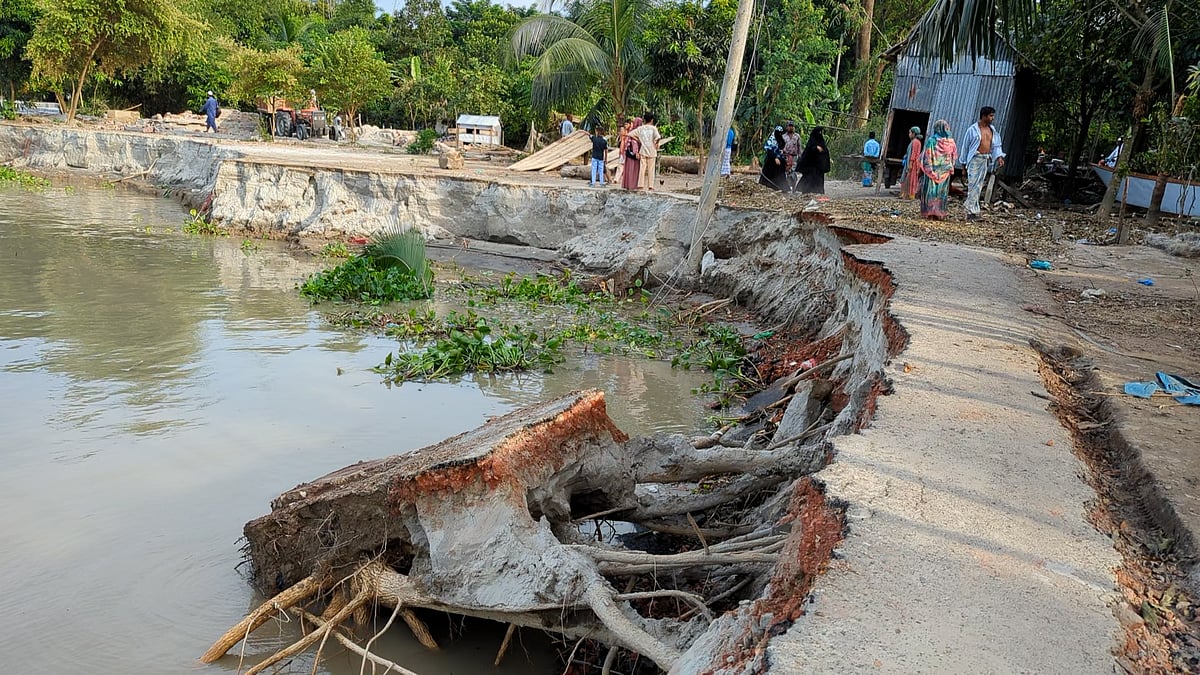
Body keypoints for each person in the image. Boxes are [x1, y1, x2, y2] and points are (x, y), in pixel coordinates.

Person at [960, 105, 1006, 221]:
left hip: (985, 159)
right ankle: (971, 212)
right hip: (974, 159)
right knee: (973, 185)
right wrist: (963, 165)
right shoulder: (972, 130)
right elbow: (965, 147)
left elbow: (996, 145)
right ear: (984, 116)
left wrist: (999, 157)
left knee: (979, 185)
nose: (992, 118)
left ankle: (973, 210)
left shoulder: (992, 130)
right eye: (990, 116)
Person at [918, 120, 958, 220]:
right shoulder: (951, 142)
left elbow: (927, 156)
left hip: (932, 171)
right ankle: (939, 212)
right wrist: (949, 167)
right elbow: (953, 157)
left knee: (931, 192)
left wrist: (930, 170)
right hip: (945, 173)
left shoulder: (931, 141)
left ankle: (930, 213)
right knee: (941, 193)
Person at [795, 126, 830, 194]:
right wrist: (815, 148)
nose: (820, 133)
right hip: (811, 166)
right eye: (819, 132)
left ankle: (818, 191)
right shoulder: (812, 141)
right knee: (809, 179)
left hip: (819, 166)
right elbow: (808, 151)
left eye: (821, 132)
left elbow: (825, 151)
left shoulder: (821, 141)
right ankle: (806, 191)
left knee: (818, 179)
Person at [632, 113, 662, 190]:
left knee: (642, 168)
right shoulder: (653, 128)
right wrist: (656, 143)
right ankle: (650, 186)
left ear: (644, 120)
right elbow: (658, 137)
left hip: (643, 150)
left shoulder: (640, 128)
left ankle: (640, 185)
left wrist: (639, 140)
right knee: (651, 169)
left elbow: (631, 134)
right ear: (652, 120)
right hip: (651, 150)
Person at [758, 127, 789, 191]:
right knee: (769, 173)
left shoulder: (781, 139)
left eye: (781, 132)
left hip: (780, 159)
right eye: (778, 132)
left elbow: (781, 149)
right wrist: (775, 158)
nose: (779, 134)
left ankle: (782, 187)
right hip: (771, 160)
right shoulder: (771, 140)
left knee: (780, 174)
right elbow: (769, 150)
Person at [899, 126, 923, 199]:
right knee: (906, 178)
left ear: (913, 134)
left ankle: (909, 195)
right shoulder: (914, 142)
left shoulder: (915, 142)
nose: (909, 134)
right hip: (909, 162)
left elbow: (913, 154)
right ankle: (904, 194)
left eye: (910, 133)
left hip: (912, 163)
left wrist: (910, 164)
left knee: (910, 179)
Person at [621, 118, 643, 191]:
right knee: (633, 170)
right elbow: (635, 142)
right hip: (634, 153)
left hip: (629, 154)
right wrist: (636, 152)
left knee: (629, 169)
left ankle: (627, 184)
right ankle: (632, 185)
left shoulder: (632, 131)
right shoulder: (637, 132)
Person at [612, 118, 631, 185]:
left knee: (626, 167)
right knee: (620, 165)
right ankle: (616, 179)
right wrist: (621, 151)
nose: (625, 125)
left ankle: (625, 180)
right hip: (623, 152)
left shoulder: (631, 133)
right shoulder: (624, 133)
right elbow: (622, 142)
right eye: (625, 124)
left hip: (628, 152)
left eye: (627, 124)